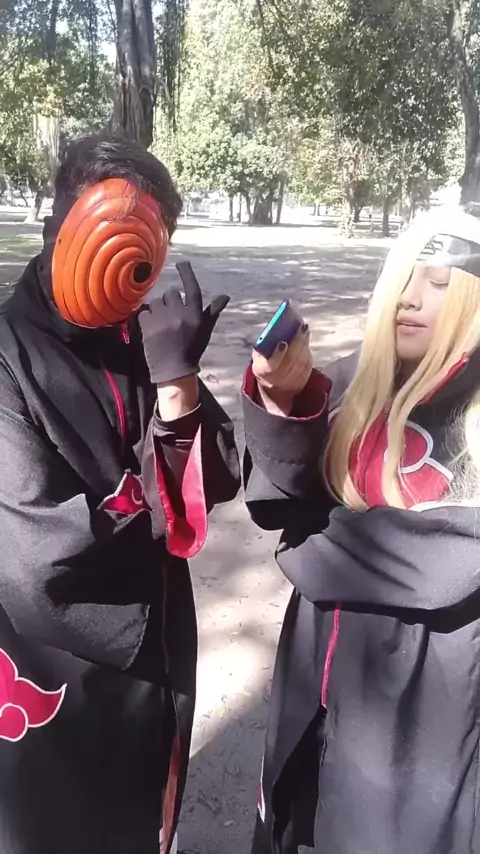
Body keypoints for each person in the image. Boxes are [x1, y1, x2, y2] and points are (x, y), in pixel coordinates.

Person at [0, 132, 240, 854]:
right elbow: (39, 561)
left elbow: (216, 479)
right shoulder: (8, 356)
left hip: (159, 655)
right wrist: (155, 508)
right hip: (56, 668)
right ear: (58, 224)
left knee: (145, 817)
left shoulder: (140, 337)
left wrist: (177, 382)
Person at [242, 207, 480, 854]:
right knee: (300, 810)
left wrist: (323, 541)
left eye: (438, 282)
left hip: (428, 694)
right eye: (401, 279)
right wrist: (285, 405)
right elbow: (281, 506)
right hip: (318, 663)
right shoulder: (353, 382)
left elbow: (451, 563)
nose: (409, 298)